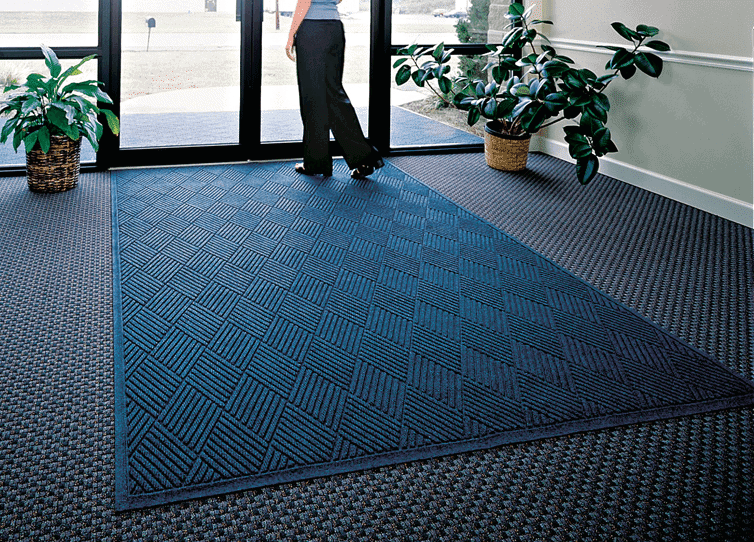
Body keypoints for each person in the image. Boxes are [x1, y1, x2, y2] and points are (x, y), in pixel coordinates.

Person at [285, 0, 383, 179]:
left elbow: (304, 1)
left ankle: (316, 162)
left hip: (312, 31)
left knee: (313, 97)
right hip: (334, 29)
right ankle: (365, 158)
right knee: (333, 94)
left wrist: (291, 35)